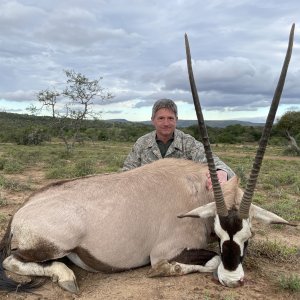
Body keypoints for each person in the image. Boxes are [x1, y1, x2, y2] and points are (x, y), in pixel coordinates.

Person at [122, 99, 235, 189]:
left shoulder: (188, 143)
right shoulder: (142, 143)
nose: (166, 123)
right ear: (153, 120)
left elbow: (219, 165)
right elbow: (126, 172)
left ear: (176, 119)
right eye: (161, 118)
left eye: (170, 118)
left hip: (180, 203)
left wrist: (221, 173)